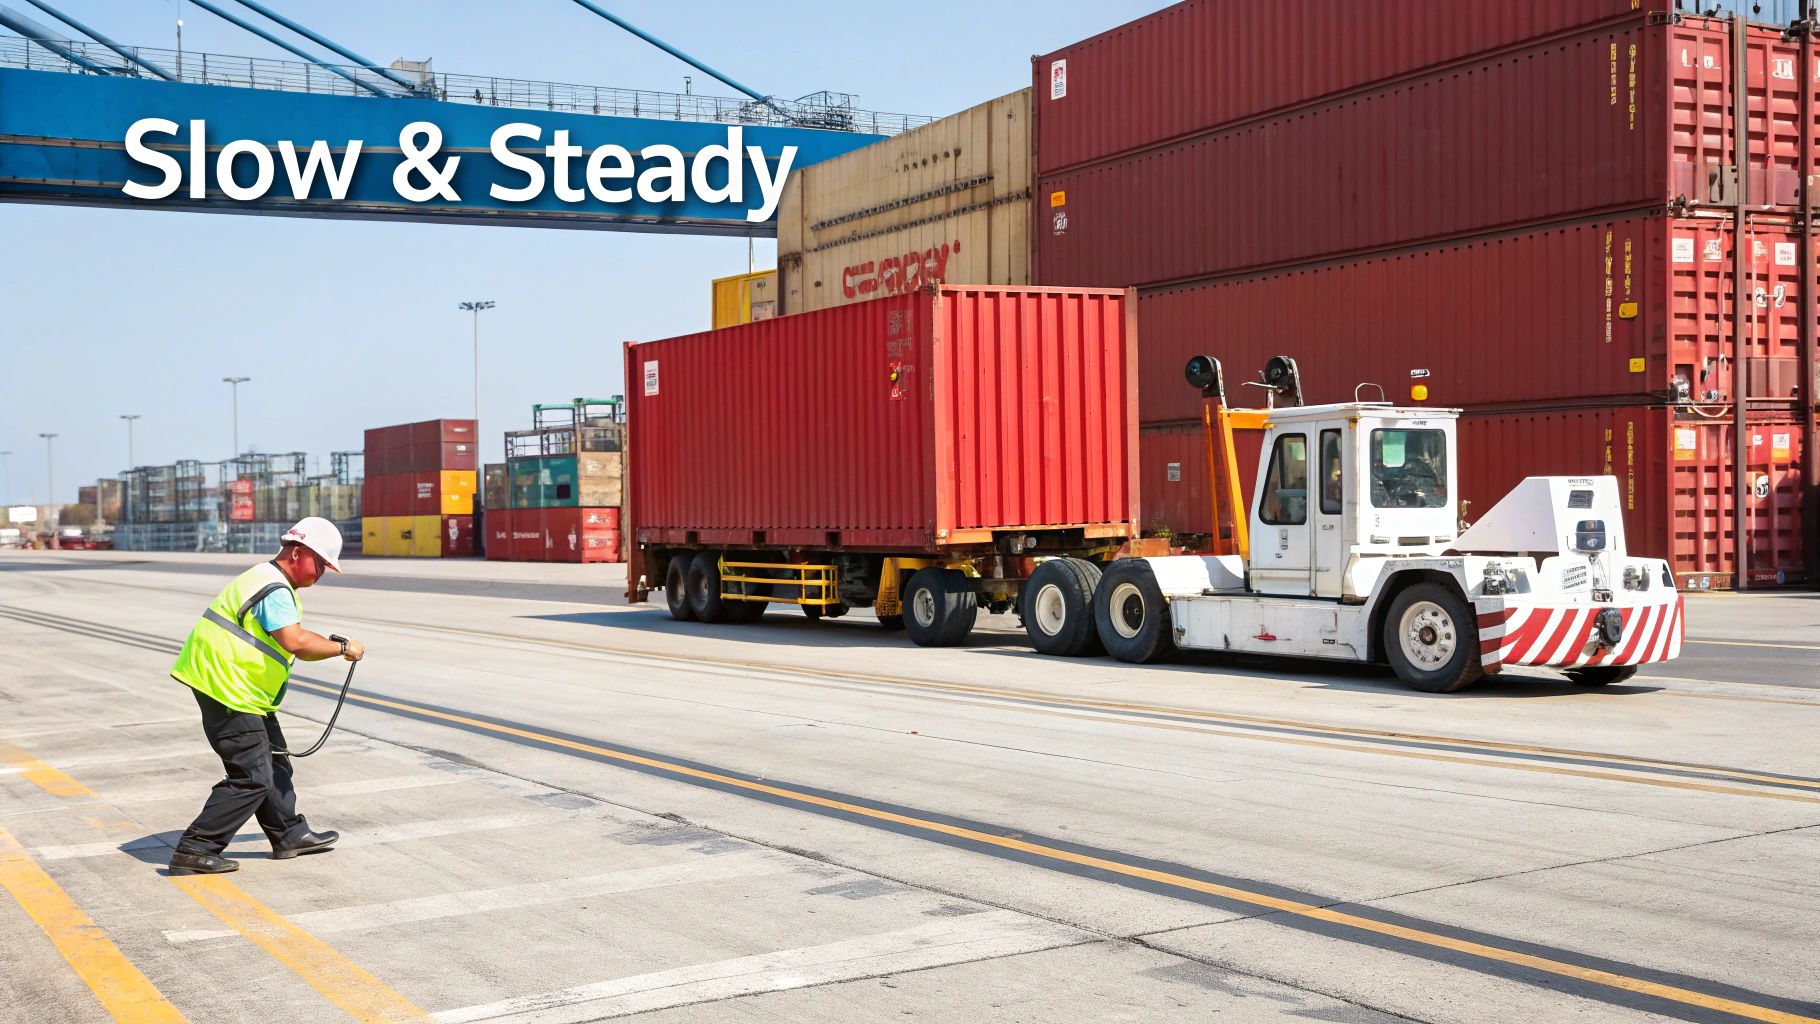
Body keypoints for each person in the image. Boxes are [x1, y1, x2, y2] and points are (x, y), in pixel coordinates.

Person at [166, 517, 365, 876]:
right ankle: (195, 848)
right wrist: (343, 648)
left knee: (274, 765)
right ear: (297, 551)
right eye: (320, 563)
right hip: (229, 690)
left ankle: (289, 834)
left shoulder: (266, 579)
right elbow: (296, 642)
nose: (321, 572)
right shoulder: (273, 587)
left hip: (243, 690)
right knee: (252, 776)